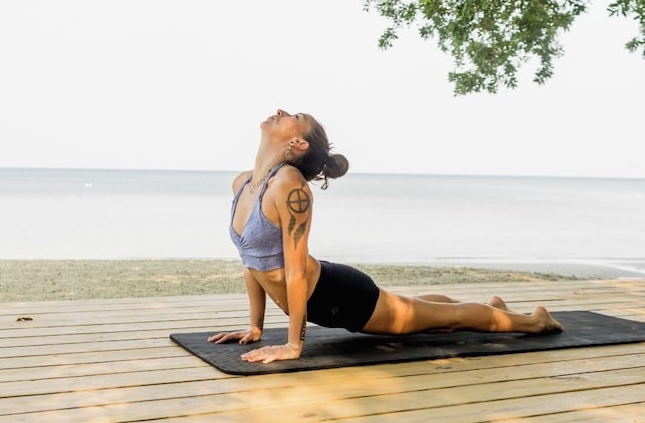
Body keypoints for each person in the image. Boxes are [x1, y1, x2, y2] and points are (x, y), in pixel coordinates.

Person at [209, 109, 562, 365]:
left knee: (447, 319)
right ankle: (493, 309)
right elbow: (251, 261)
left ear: (297, 142)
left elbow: (295, 271)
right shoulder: (243, 184)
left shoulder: (289, 185)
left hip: (340, 298)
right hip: (325, 292)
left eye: (294, 116)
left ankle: (535, 321)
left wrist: (293, 346)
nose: (280, 111)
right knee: (420, 310)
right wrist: (255, 326)